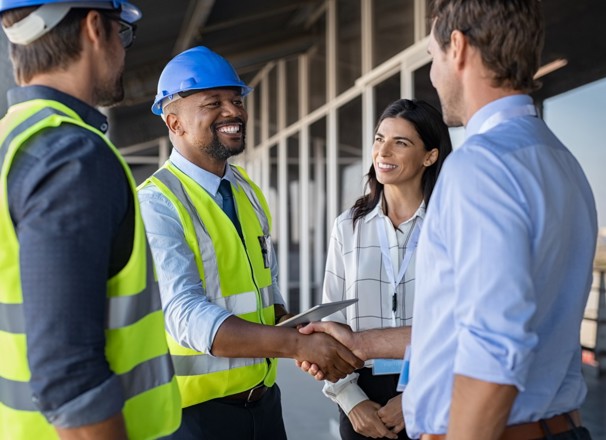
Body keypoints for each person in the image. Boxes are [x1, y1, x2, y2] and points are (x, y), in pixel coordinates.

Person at [303, 0, 597, 439]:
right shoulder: (561, 161)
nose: (433, 74)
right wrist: (360, 344)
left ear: (456, 47)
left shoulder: (480, 166)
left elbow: (492, 348)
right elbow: (467, 324)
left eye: (432, 56)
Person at [138, 45, 363, 440]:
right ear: (174, 123)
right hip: (193, 419)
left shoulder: (245, 190)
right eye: (214, 103)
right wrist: (294, 345)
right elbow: (186, 315)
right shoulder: (157, 203)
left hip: (263, 405)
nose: (234, 111)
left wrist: (299, 329)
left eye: (236, 99)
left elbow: (265, 289)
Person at [0, 1, 181, 439]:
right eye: (123, 33)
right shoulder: (70, 157)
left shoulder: (12, 139)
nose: (124, 50)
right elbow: (70, 378)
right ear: (96, 27)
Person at [321, 99, 451, 440]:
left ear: (430, 156)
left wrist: (416, 398)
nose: (383, 151)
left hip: (435, 393)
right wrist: (351, 401)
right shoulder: (347, 226)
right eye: (379, 139)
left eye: (400, 142)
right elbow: (332, 321)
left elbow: (461, 324)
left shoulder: (450, 226)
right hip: (361, 395)